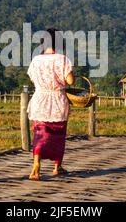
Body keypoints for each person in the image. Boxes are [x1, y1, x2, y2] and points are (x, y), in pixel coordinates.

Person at [26, 28, 74, 181]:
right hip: (57, 101)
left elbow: (33, 80)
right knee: (57, 135)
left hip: (40, 100)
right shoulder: (63, 59)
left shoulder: (36, 60)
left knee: (40, 134)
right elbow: (70, 81)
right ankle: (56, 166)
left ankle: (36, 165)